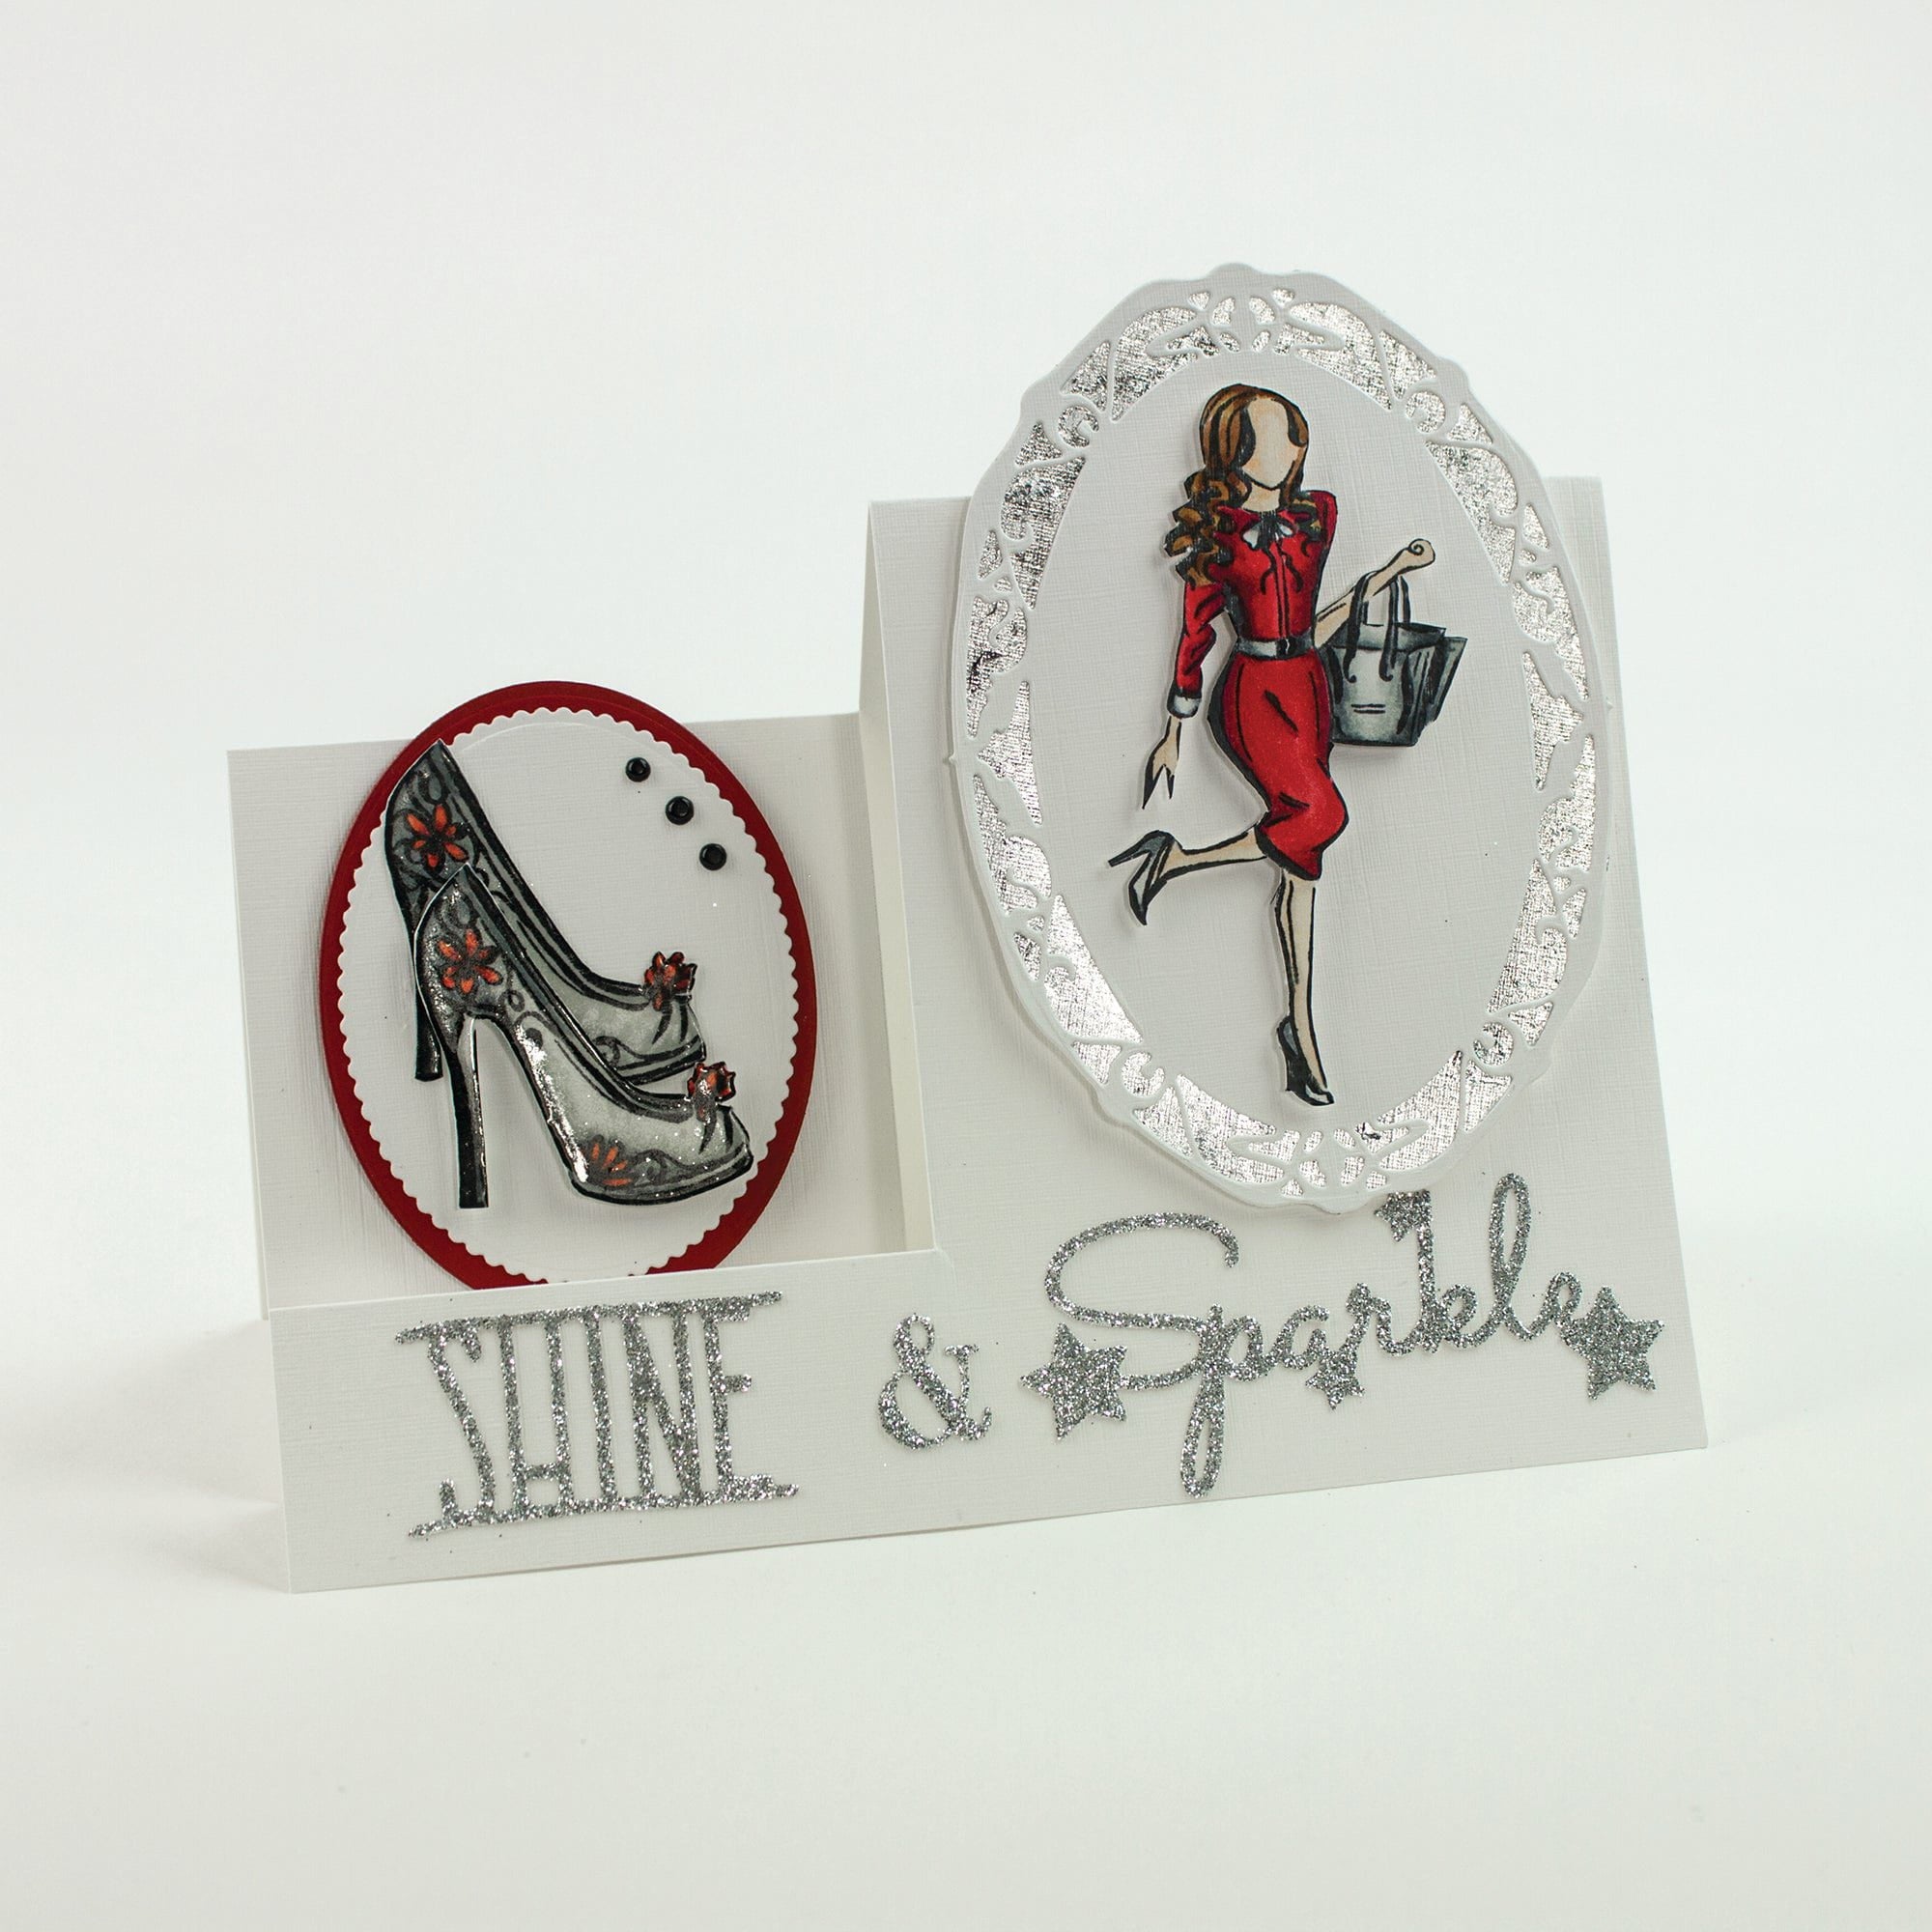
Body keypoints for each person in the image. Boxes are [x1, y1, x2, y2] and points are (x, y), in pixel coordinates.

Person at [1111, 384, 1434, 1104]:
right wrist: (1173, 731)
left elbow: (1319, 619)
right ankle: (1179, 862)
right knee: (1320, 816)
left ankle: (1300, 1032)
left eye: (1293, 434)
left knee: (1303, 866)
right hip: (1253, 696)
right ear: (1236, 451)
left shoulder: (1316, 517)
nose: (1290, 449)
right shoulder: (1218, 540)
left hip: (1308, 686)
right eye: (1271, 437)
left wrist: (1391, 571)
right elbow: (1193, 638)